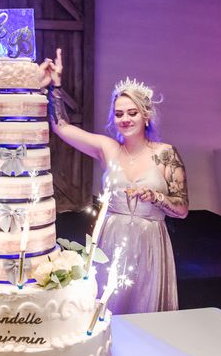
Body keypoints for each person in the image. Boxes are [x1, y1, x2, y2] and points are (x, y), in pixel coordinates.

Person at [40, 49, 188, 314]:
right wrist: (56, 85)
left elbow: (182, 209)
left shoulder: (165, 153)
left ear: (146, 116)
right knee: (109, 307)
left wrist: (156, 197)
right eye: (119, 114)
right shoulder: (107, 148)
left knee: (145, 311)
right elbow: (61, 126)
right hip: (113, 236)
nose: (125, 119)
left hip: (150, 241)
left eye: (132, 113)